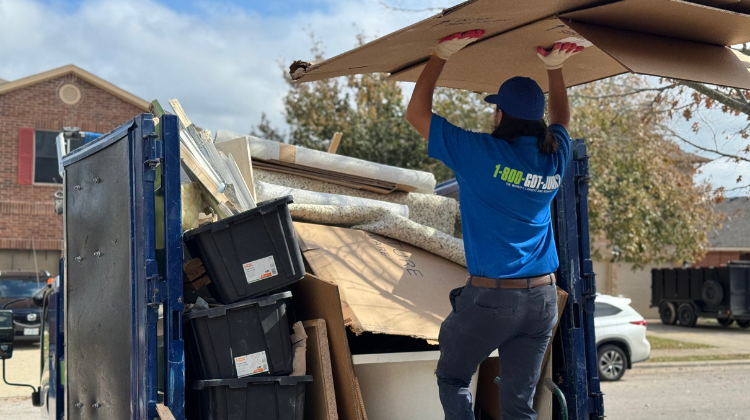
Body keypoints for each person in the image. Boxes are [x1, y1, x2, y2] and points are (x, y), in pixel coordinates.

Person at [405, 31, 584, 420]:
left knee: (453, 378)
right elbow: (563, 121)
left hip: (492, 301)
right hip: (542, 301)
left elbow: (416, 113)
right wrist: (555, 68)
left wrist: (440, 54)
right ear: (536, 121)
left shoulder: (480, 153)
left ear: (500, 114)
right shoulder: (553, 158)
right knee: (518, 406)